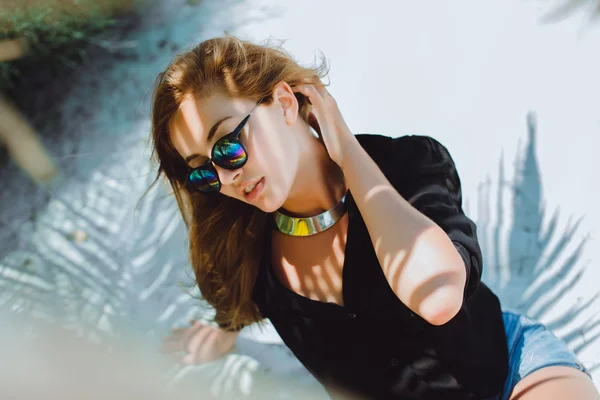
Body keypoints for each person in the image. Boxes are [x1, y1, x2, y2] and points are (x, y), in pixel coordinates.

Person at [151, 35, 598, 399]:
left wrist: (348, 152)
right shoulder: (244, 250)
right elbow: (230, 302)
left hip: (512, 370)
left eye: (227, 145)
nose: (225, 177)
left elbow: (439, 297)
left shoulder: (408, 164)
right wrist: (224, 336)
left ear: (284, 102)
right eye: (204, 170)